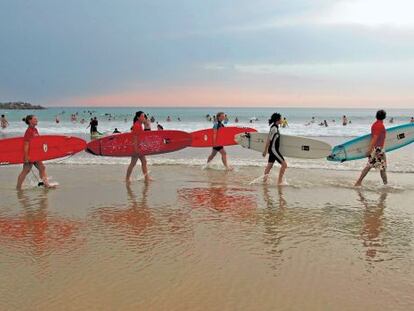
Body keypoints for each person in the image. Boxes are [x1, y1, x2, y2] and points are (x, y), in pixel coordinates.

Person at [16, 115, 54, 189]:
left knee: (42, 168)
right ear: (30, 121)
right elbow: (26, 144)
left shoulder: (35, 130)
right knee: (26, 170)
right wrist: (26, 156)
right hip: (30, 154)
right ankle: (18, 188)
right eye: (35, 119)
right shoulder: (29, 131)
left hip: (35, 154)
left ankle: (46, 185)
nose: (37, 120)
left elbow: (37, 142)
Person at [355, 110, 388, 187]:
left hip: (377, 149)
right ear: (384, 117)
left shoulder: (376, 124)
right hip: (378, 150)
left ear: (376, 116)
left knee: (377, 167)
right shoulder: (379, 125)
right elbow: (374, 138)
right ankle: (358, 182)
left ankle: (385, 184)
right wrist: (369, 150)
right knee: (377, 167)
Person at [263, 113, 288, 185]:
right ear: (277, 120)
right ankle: (279, 182)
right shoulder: (274, 128)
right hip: (274, 150)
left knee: (269, 166)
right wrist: (265, 150)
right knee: (284, 165)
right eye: (281, 118)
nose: (282, 120)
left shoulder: (275, 127)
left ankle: (264, 181)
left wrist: (267, 150)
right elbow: (268, 139)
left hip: (273, 150)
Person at [126, 111, 151, 182]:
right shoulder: (137, 125)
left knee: (143, 162)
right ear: (138, 117)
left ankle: (146, 178)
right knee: (133, 163)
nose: (144, 118)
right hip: (136, 148)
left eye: (144, 116)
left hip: (138, 147)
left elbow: (140, 137)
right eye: (142, 116)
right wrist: (136, 149)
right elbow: (135, 138)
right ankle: (127, 179)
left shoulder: (139, 125)